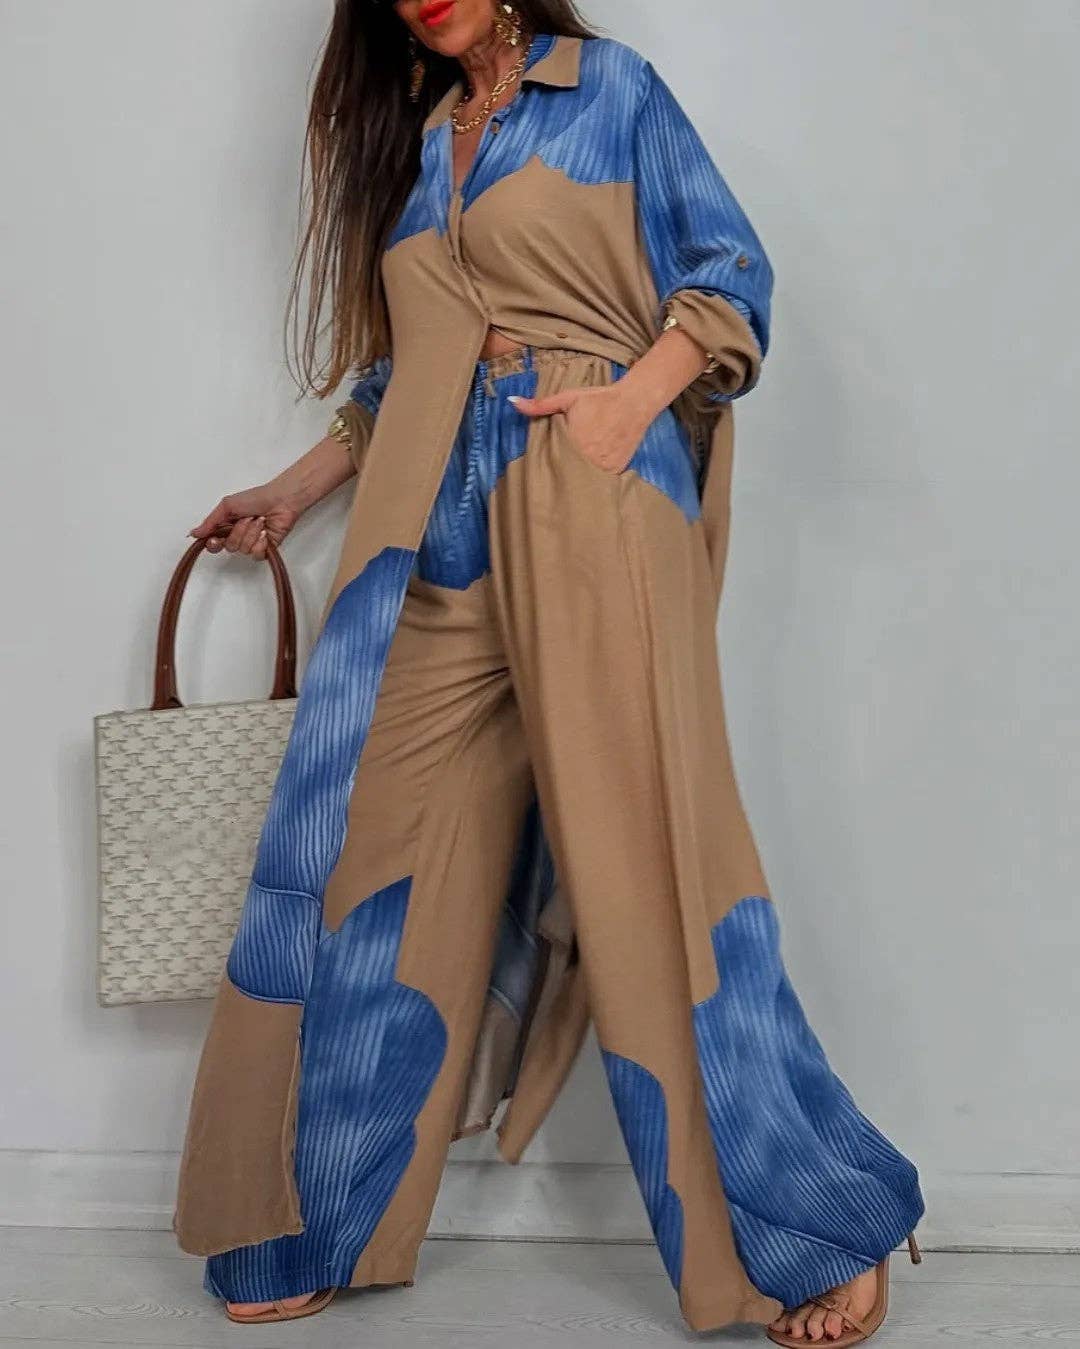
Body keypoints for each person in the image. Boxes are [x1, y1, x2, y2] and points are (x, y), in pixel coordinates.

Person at [171, 1, 925, 1342]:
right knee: (369, 852)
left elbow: (728, 269)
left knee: (652, 875)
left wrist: (625, 410)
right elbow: (406, 370)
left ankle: (810, 1228)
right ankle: (326, 1202)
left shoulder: (611, 89)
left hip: (587, 495)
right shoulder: (419, 141)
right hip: (434, 533)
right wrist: (291, 494)